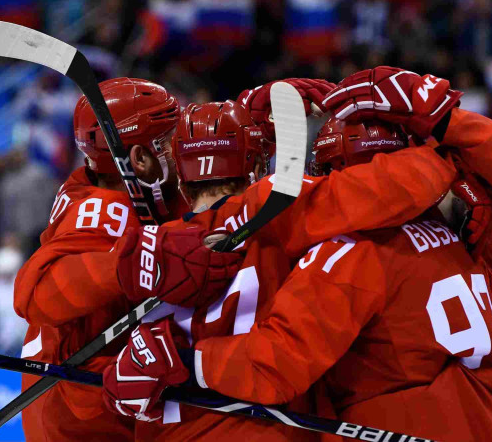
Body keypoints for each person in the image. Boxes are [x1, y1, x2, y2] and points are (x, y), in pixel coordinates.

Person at [102, 91, 460, 440]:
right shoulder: (277, 205)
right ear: (257, 167)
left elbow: (123, 385)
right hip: (265, 426)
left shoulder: (143, 245)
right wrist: (436, 145)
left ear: (180, 178)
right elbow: (408, 185)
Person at [13, 77, 185, 442]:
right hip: (76, 422)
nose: (181, 149)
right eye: (169, 140)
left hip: (72, 411)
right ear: (138, 158)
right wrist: (126, 266)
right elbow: (34, 294)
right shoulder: (108, 211)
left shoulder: (98, 185)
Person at [0, 246, 27, 355]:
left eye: (6, 273)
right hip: (4, 343)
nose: (2, 277)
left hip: (25, 341)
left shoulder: (24, 283)